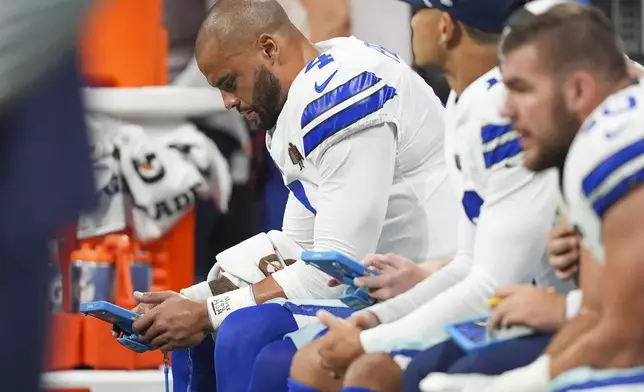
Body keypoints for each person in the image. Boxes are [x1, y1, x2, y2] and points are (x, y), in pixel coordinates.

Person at [124, 0, 459, 388]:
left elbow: (330, 271)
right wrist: (194, 298)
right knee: (199, 334)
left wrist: (208, 310)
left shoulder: (340, 95)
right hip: (374, 282)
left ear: (269, 49)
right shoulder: (303, 92)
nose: (228, 102)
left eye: (229, 83)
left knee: (243, 333)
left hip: (426, 280)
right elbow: (299, 245)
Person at [287, 1, 578, 392]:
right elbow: (472, 265)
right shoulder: (467, 101)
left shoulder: (503, 113)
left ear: (445, 27)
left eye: (417, 11)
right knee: (322, 361)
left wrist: (373, 336)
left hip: (568, 317)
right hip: (533, 303)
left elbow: (491, 284)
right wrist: (377, 321)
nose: (409, 23)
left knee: (379, 373)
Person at [420, 3, 644, 391]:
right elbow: (595, 313)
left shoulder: (615, 142)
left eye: (521, 89)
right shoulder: (585, 145)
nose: (505, 110)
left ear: (578, 89)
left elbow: (623, 344)